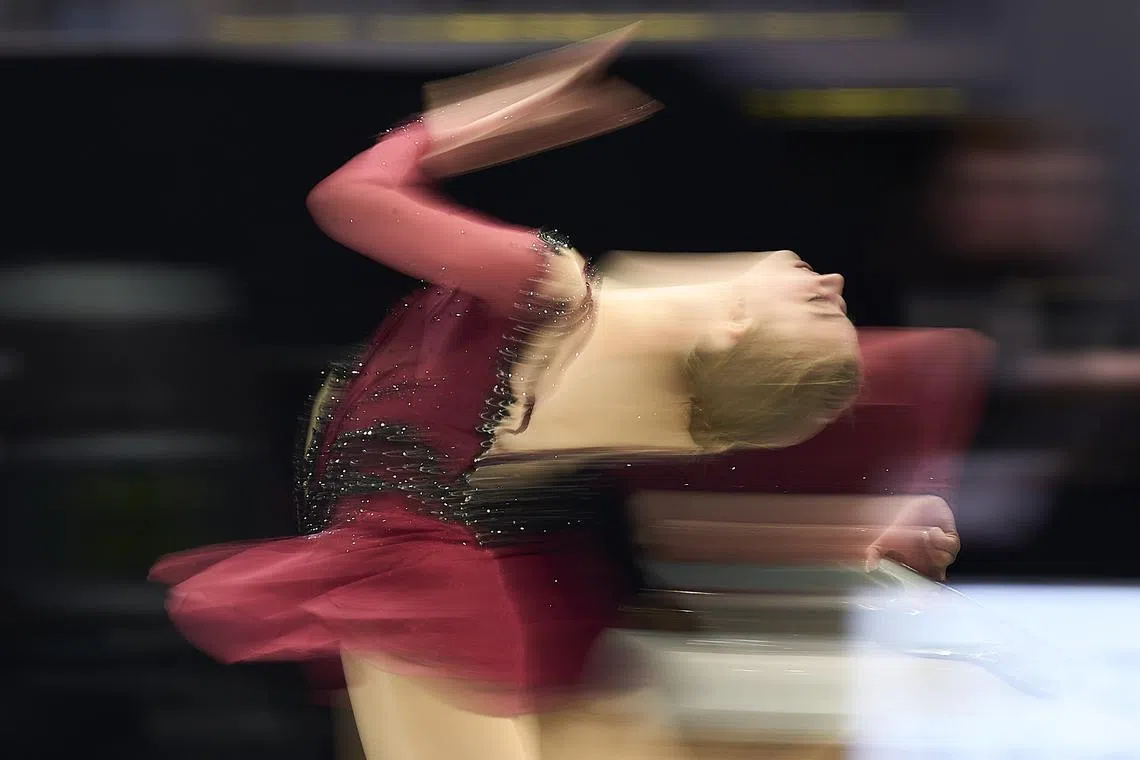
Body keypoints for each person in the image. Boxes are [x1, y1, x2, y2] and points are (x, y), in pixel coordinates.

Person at [150, 30, 862, 760]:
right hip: (479, 572)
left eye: (817, 308)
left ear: (731, 329)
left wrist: (472, 117)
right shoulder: (687, 421)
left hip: (424, 582)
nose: (833, 282)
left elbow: (347, 199)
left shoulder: (549, 288)